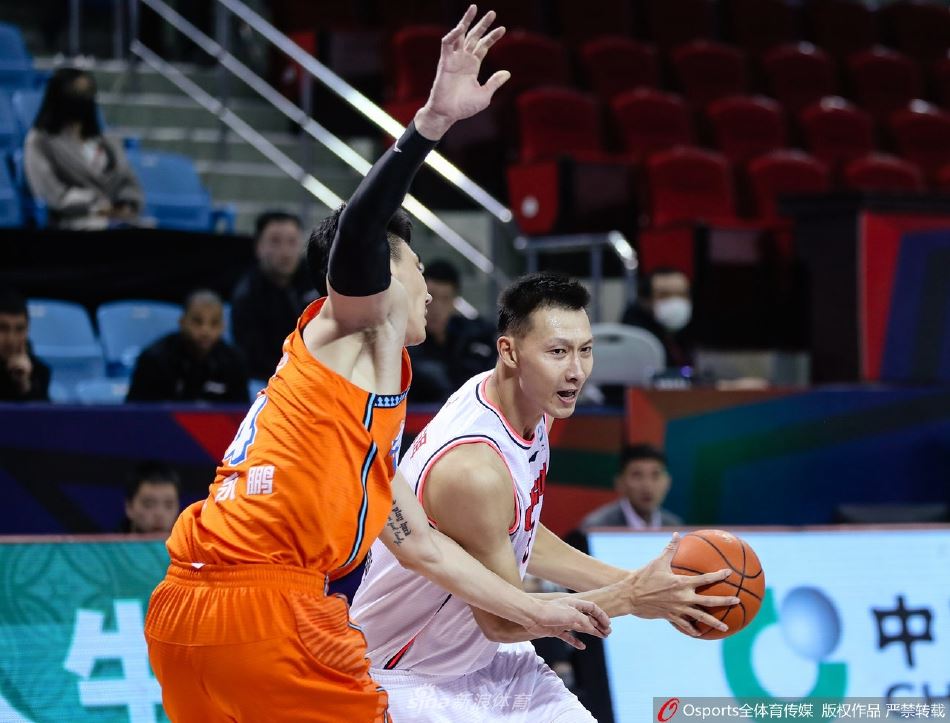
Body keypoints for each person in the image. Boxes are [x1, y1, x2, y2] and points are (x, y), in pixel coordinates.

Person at [144, 9, 608, 723]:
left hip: (189, 608)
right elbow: (360, 228)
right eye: (417, 266)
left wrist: (536, 610)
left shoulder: (358, 415)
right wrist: (430, 124)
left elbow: (425, 548)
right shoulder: (350, 331)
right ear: (383, 277)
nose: (429, 286)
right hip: (268, 608)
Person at [351, 272, 739, 722]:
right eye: (558, 352)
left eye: (585, 350)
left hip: (488, 661)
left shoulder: (529, 402)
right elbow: (504, 620)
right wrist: (631, 598)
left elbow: (518, 532)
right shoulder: (473, 470)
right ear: (509, 352)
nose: (576, 371)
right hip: (410, 673)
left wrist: (639, 583)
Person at [24, 67, 144, 230]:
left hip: (118, 218)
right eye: (77, 93)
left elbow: (128, 180)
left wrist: (127, 204)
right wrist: (97, 206)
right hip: (73, 220)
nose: (84, 99)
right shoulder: (39, 140)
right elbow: (50, 193)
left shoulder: (107, 140)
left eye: (88, 92)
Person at [231, 210, 316, 380]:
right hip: (272, 379)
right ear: (258, 247)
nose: (285, 252)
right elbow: (253, 359)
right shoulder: (247, 295)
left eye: (292, 242)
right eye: (275, 241)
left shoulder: (317, 280)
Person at [126, 290, 249, 404]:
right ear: (182, 321)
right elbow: (134, 412)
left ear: (223, 326)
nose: (205, 331)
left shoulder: (234, 362)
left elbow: (242, 414)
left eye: (214, 323)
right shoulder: (153, 360)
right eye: (197, 321)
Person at [409, 258, 495, 402]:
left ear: (455, 301)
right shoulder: (407, 343)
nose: (437, 308)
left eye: (445, 299)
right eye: (431, 297)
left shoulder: (477, 336)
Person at [579, 444, 683, 530]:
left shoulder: (674, 527)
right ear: (620, 483)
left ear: (668, 482)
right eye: (637, 475)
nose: (647, 485)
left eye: (655, 475)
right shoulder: (597, 527)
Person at [621, 267, 695, 369]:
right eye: (664, 295)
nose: (675, 301)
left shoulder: (689, 330)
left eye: (682, 294)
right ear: (645, 300)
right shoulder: (636, 336)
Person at [0, 289, 50, 402]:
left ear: (28, 330)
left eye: (19, 329)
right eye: (2, 328)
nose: (11, 339)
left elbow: (43, 411)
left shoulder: (39, 372)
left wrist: (23, 384)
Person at [122, 462, 181, 534]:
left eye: (169, 505)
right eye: (149, 505)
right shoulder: (111, 540)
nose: (159, 513)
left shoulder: (189, 540)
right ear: (129, 507)